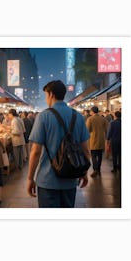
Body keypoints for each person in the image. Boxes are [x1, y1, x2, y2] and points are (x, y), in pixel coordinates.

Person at [27, 80, 90, 208]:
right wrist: (84, 172)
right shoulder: (77, 116)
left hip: (47, 180)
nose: (46, 99)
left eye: (45, 95)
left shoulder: (43, 116)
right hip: (71, 179)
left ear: (50, 94)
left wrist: (30, 178)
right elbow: (85, 150)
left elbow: (36, 151)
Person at [86, 106, 109, 177]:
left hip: (93, 139)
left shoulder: (90, 119)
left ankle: (95, 169)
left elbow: (87, 130)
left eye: (90, 111)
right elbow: (107, 129)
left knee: (93, 156)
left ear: (92, 111)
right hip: (101, 140)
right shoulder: (103, 119)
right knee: (100, 156)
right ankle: (98, 169)